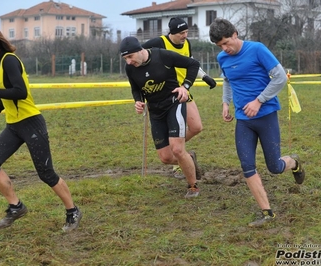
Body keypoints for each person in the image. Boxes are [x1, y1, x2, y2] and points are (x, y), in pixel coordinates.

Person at [0, 27, 82, 232]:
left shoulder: (9, 60)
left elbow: (21, 92)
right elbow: (11, 91)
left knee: (46, 173)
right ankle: (16, 206)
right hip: (14, 126)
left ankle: (73, 211)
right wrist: (0, 101)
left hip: (31, 123)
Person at [209, 18, 305, 227]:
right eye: (220, 46)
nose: (225, 49)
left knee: (275, 167)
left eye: (227, 42)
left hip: (266, 115)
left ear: (235, 33)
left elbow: (279, 78)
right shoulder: (222, 57)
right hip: (243, 120)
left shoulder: (257, 49)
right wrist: (226, 102)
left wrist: (259, 101)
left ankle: (294, 162)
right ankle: (267, 213)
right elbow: (227, 80)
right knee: (247, 165)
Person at [120, 36, 201, 198]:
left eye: (130, 57)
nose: (128, 62)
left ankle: (193, 186)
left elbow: (193, 64)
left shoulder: (163, 56)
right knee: (165, 158)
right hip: (155, 111)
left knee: (177, 149)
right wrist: (138, 101)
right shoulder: (130, 68)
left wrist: (185, 87)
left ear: (140, 50)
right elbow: (136, 88)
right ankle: (189, 158)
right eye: (125, 58)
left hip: (174, 104)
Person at [143, 17, 216, 179]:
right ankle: (180, 161)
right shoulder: (159, 43)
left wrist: (205, 77)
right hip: (167, 96)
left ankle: (178, 151)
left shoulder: (187, 43)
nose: (185, 35)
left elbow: (190, 63)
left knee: (196, 127)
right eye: (182, 33)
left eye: (186, 32)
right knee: (175, 142)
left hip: (184, 91)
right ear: (172, 33)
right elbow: (139, 56)